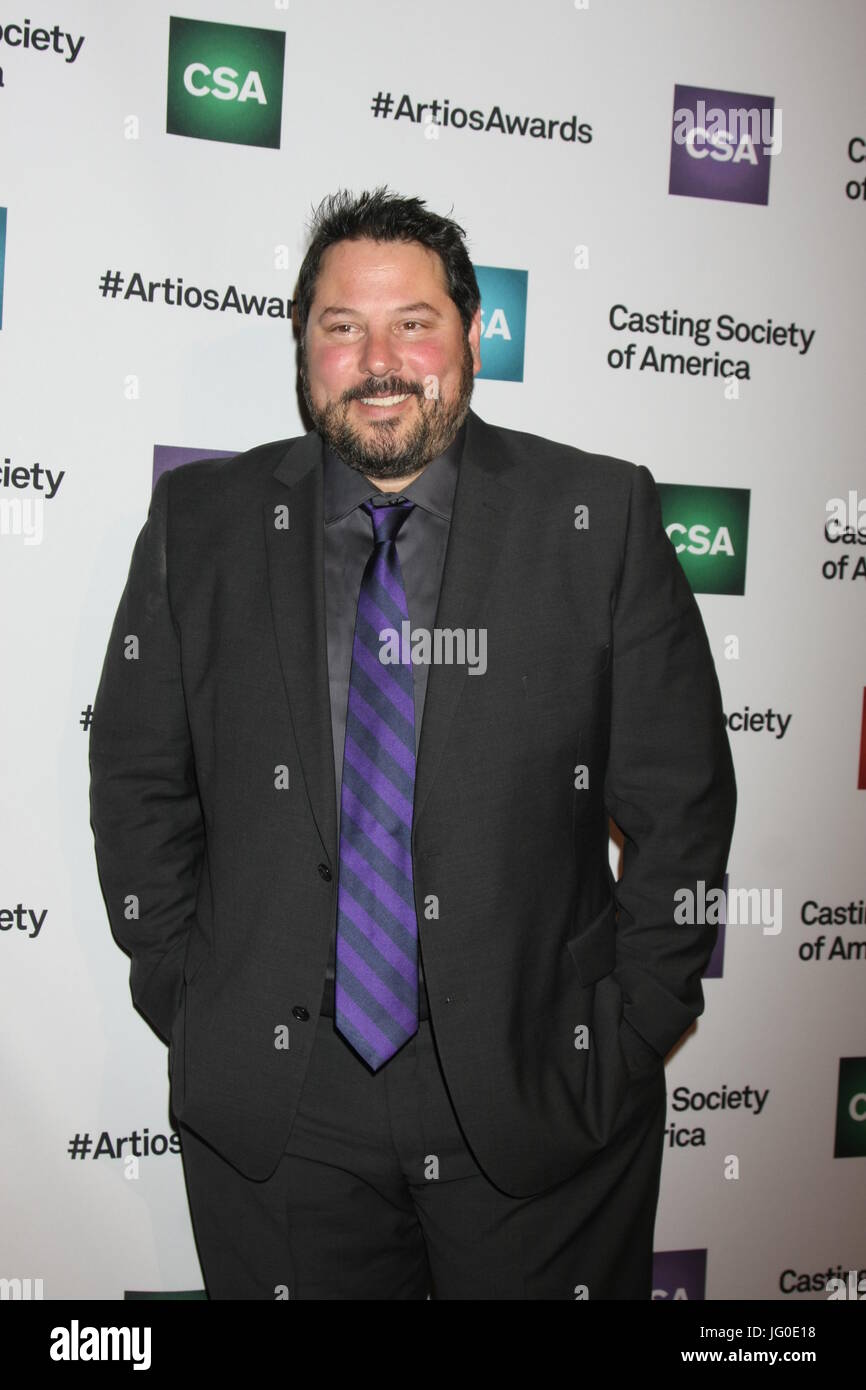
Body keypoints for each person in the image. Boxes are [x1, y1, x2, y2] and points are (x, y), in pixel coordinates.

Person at [89, 186, 737, 1300]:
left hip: (539, 1094)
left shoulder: (598, 517)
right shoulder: (200, 525)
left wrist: (625, 1036)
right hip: (284, 1113)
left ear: (472, 334)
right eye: (342, 326)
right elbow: (142, 780)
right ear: (304, 347)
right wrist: (189, 992)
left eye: (413, 323)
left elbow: (681, 806)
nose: (379, 358)